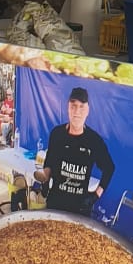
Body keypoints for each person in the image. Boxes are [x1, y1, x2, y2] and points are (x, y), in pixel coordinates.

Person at [37, 87, 116, 216]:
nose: (76, 112)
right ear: (68, 108)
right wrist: (45, 180)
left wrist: (95, 195)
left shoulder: (94, 140)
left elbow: (109, 168)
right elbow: (49, 162)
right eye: (73, 106)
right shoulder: (57, 134)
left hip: (80, 210)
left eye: (81, 107)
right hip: (55, 205)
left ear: (87, 111)